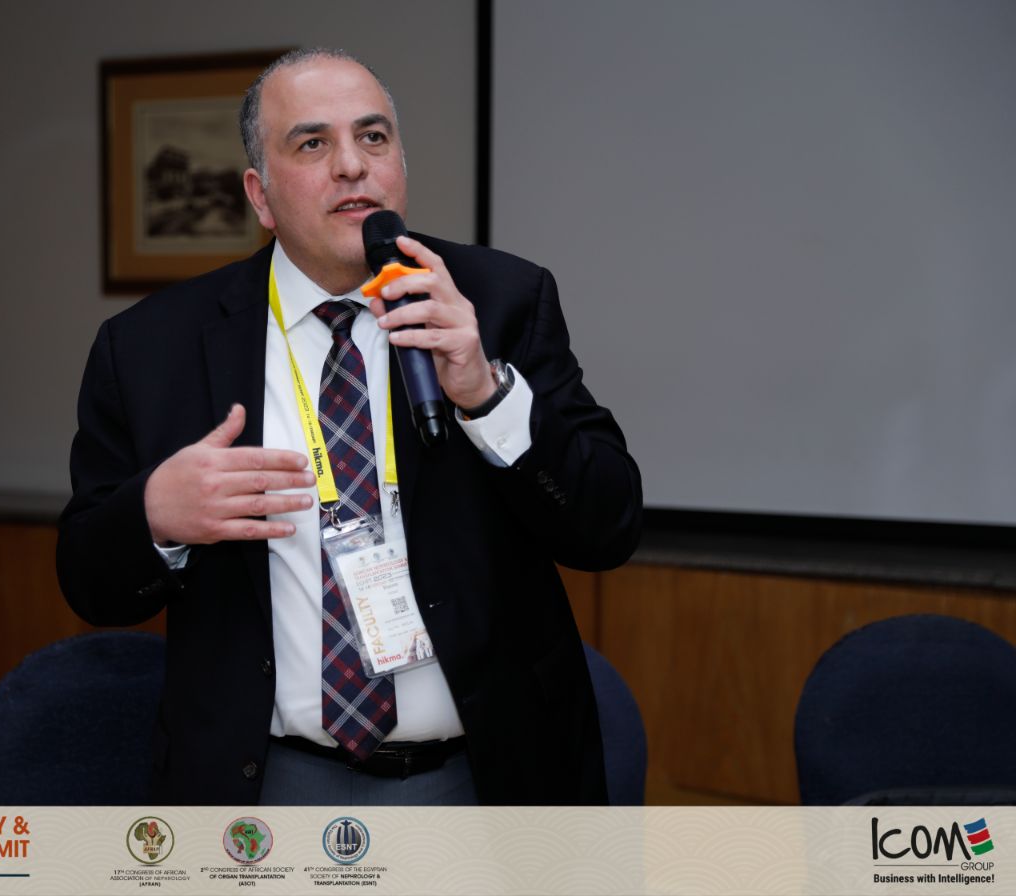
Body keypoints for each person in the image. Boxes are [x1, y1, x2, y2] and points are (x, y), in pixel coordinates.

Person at [57, 48, 642, 806]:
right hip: (266, 782)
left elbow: (607, 528)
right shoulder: (151, 347)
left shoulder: (498, 301)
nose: (352, 165)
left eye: (373, 137)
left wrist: (487, 394)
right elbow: (90, 583)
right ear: (260, 195)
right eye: (312, 143)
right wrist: (156, 517)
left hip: (486, 777)